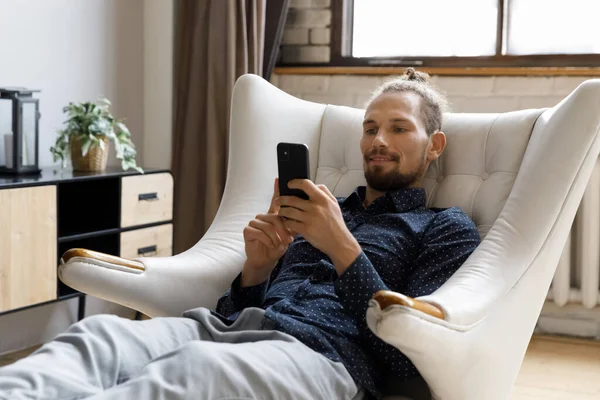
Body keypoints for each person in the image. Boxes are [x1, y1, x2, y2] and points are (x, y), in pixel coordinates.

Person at [0, 68, 480, 400]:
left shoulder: (445, 227)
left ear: (433, 145)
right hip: (232, 328)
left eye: (399, 129)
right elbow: (235, 310)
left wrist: (342, 248)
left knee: (191, 374)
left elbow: (411, 355)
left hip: (324, 357)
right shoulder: (322, 209)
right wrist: (258, 267)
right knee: (95, 336)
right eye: (371, 127)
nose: (378, 141)